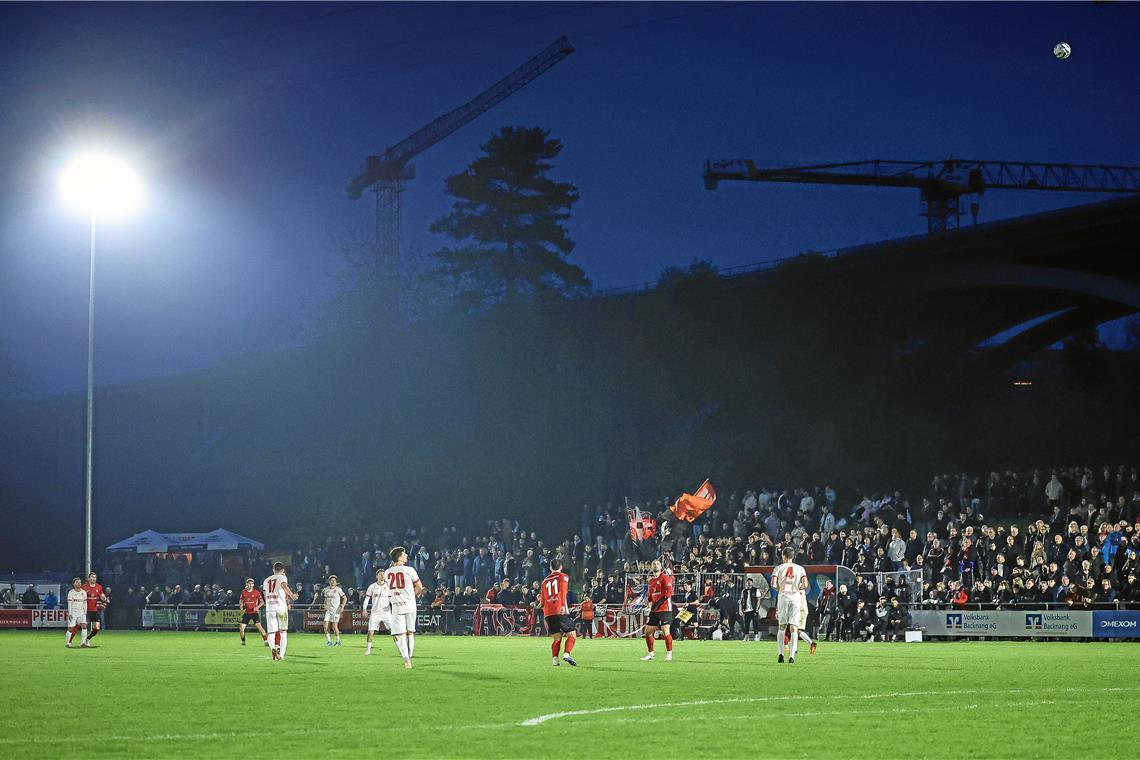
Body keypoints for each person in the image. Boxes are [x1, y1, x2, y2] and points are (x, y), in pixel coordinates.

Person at [386, 546, 424, 669]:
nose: (406, 556)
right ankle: (410, 656)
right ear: (400, 556)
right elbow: (419, 586)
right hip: (410, 605)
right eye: (404, 554)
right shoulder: (409, 570)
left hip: (396, 606)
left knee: (400, 635)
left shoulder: (387, 572)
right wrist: (414, 594)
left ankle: (406, 661)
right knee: (411, 633)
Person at [771, 546, 807, 663]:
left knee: (782, 626)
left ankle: (781, 654)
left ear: (783, 556)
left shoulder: (778, 568)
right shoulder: (800, 568)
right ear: (792, 556)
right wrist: (798, 588)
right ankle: (792, 656)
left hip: (783, 598)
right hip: (795, 599)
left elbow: (773, 584)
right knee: (794, 627)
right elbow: (805, 584)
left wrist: (779, 588)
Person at [540, 560, 578, 666]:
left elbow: (542, 601)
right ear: (561, 566)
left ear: (550, 568)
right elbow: (563, 590)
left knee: (557, 638)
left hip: (548, 613)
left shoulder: (544, 581)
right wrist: (561, 605)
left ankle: (555, 660)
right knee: (572, 634)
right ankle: (566, 654)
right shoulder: (563, 576)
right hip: (559, 610)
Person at [262, 562, 298, 661]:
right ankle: (281, 655)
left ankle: (273, 649)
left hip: (270, 608)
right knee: (283, 632)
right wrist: (292, 595)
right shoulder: (283, 577)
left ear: (273, 570)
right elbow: (284, 585)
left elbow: (265, 595)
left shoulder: (266, 580)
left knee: (272, 632)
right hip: (281, 607)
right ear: (282, 570)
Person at [641, 560, 674, 662]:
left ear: (661, 567)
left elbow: (669, 593)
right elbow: (651, 596)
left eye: (658, 564)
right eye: (654, 564)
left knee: (665, 630)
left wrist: (658, 603)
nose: (656, 565)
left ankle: (669, 654)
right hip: (654, 609)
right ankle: (651, 654)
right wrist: (647, 602)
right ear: (651, 567)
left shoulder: (665, 578)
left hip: (665, 609)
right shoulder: (650, 581)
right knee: (647, 632)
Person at [362, 568, 391, 656]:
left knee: (394, 631)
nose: (382, 576)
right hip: (375, 613)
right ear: (376, 576)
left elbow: (391, 598)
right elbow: (367, 598)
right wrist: (364, 609)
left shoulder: (389, 586)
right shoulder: (372, 586)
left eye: (383, 574)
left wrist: (390, 606)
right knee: (370, 631)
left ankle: (401, 649)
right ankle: (368, 650)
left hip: (386, 613)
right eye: (380, 574)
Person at [237, 578, 268, 647]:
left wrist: (257, 607)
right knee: (241, 628)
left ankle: (266, 641)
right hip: (246, 613)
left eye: (251, 583)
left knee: (259, 627)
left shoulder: (256, 592)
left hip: (254, 612)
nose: (250, 585)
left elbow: (262, 602)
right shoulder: (243, 592)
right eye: (249, 583)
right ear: (246, 584)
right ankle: (243, 641)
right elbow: (241, 600)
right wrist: (241, 606)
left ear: (253, 585)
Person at [81, 572, 108, 644]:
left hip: (94, 610)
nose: (94, 578)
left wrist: (103, 597)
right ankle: (83, 642)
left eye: (95, 577)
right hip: (86, 610)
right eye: (92, 577)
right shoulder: (84, 587)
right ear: (89, 578)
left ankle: (87, 639)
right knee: (84, 626)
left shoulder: (99, 587)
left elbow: (102, 595)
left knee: (96, 628)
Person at [322, 575, 347, 647]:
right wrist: (325, 605)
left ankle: (338, 641)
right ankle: (329, 641)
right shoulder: (326, 590)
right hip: (328, 611)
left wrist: (342, 606)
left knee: (334, 626)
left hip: (336, 611)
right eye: (331, 580)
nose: (333, 582)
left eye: (334, 581)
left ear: (336, 582)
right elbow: (325, 599)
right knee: (325, 625)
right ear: (329, 582)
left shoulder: (338, 589)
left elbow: (345, 598)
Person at [66, 578, 89, 648]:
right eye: (77, 582)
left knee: (84, 626)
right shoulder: (71, 593)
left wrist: (85, 613)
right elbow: (69, 604)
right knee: (71, 628)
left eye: (80, 582)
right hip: (73, 612)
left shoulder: (84, 592)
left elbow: (85, 603)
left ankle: (82, 643)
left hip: (81, 612)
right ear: (74, 584)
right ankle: (68, 642)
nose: (79, 583)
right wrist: (70, 613)